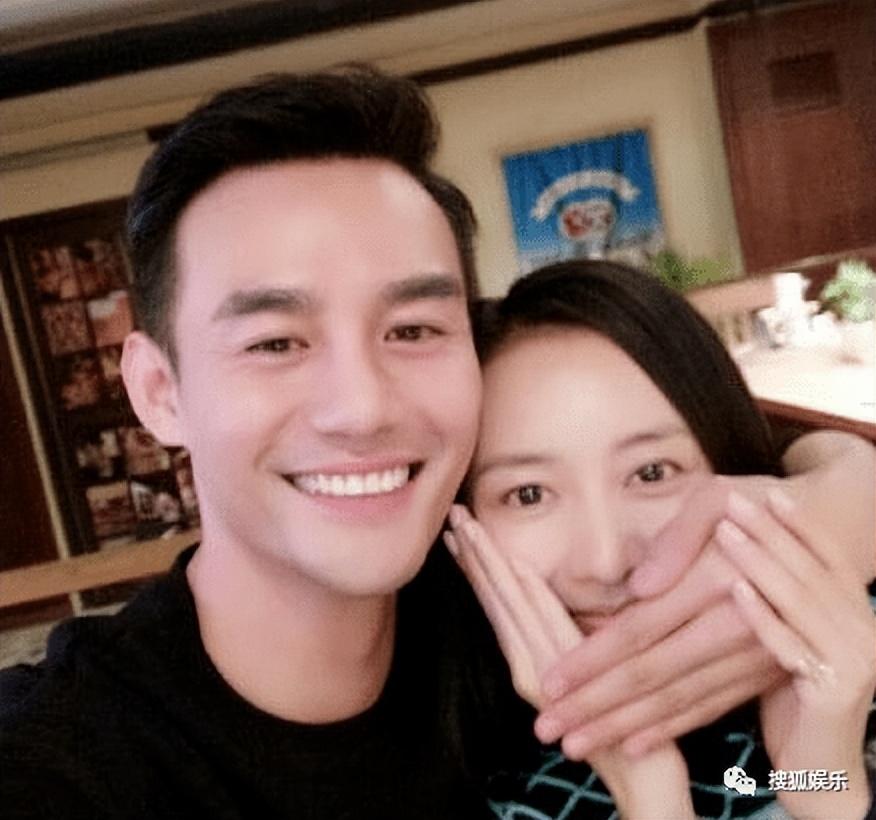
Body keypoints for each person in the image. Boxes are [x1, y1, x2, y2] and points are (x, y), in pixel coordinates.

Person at [0, 67, 873, 818]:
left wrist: (836, 503)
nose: (361, 409)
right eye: (275, 342)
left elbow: (765, 772)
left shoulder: (538, 611)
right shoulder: (62, 769)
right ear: (160, 392)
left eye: (413, 330)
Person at [446, 259, 876, 818]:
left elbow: (783, 784)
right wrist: (651, 796)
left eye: (651, 473)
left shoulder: (847, 654)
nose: (605, 563)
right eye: (528, 494)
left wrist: (823, 785)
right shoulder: (456, 774)